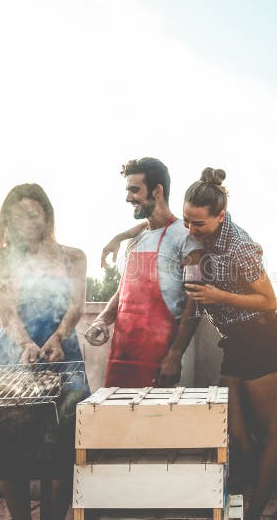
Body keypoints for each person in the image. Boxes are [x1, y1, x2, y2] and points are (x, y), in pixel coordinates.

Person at [182, 168, 277, 520]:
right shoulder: (200, 237)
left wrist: (216, 294)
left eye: (199, 224)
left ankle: (255, 513)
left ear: (220, 216)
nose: (191, 230)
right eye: (186, 221)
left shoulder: (239, 244)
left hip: (264, 338)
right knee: (236, 438)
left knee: (269, 434)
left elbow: (269, 301)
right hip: (235, 343)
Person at [0, 183, 90, 520]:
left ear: (46, 216)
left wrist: (58, 337)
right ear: (7, 222)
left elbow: (76, 307)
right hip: (15, 353)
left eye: (32, 214)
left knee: (68, 446)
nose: (25, 223)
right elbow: (7, 314)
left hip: (62, 351)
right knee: (10, 448)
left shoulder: (72, 257)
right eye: (16, 218)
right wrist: (26, 343)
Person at [85, 157, 202, 388]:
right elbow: (122, 293)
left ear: (157, 191)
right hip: (123, 354)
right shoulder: (136, 240)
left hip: (161, 359)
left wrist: (176, 354)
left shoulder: (186, 238)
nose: (128, 197)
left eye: (134, 190)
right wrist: (102, 320)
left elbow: (196, 302)